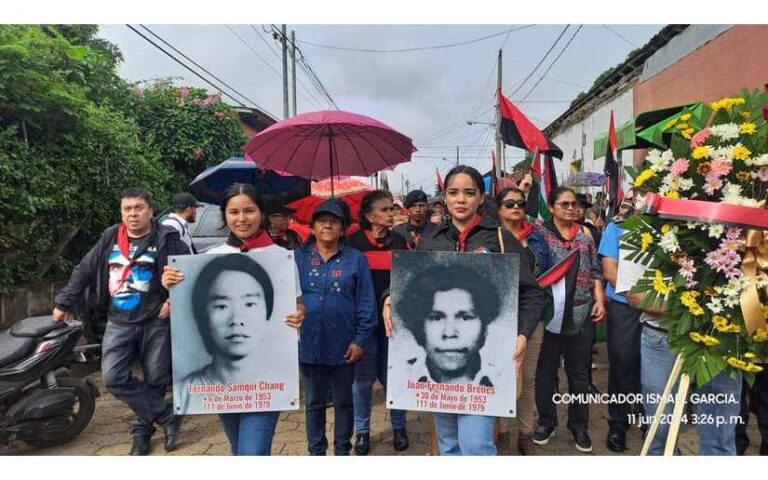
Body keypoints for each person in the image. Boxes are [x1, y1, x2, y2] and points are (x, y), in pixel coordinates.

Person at [384, 165, 547, 456]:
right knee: (448, 445)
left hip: (485, 366)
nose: (461, 199)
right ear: (444, 198)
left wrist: (522, 334)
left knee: (476, 445)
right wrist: (388, 297)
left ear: (481, 198)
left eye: (469, 193)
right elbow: (407, 285)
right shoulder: (432, 240)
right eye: (453, 192)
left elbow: (533, 293)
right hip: (438, 373)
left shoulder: (498, 237)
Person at [162, 183, 304, 456]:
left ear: (261, 213)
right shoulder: (208, 258)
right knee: (239, 450)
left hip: (268, 380)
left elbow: (298, 304)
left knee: (252, 453)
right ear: (224, 216)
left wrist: (299, 316)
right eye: (234, 212)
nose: (242, 218)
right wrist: (170, 282)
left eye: (249, 211)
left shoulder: (281, 259)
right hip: (222, 388)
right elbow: (182, 303)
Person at [53, 188, 190, 456]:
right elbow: (84, 270)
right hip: (119, 320)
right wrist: (63, 302)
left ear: (151, 211)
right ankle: (166, 416)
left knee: (156, 377)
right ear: (121, 212)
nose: (133, 214)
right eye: (127, 209)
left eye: (139, 208)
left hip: (156, 319)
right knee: (114, 377)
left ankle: (142, 432)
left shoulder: (168, 238)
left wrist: (172, 301)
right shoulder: (110, 238)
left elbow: (190, 274)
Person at [295, 200, 377, 456]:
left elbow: (366, 302)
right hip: (309, 343)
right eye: (321, 220)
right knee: (314, 402)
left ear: (343, 228)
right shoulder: (298, 258)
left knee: (344, 402)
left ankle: (342, 451)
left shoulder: (356, 260)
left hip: (345, 345)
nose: (327, 224)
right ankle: (316, 452)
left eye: (333, 220)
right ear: (313, 227)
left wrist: (360, 340)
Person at [533, 186, 606, 454]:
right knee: (546, 372)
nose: (571, 209)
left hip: (580, 312)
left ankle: (579, 426)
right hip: (549, 314)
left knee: (579, 374)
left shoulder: (585, 237)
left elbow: (596, 270)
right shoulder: (539, 236)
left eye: (574, 204)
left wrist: (598, 299)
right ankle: (547, 421)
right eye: (564, 204)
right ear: (551, 207)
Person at [346, 190, 410, 455]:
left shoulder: (400, 241)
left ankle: (399, 427)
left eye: (391, 209)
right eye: (384, 210)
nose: (390, 214)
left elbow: (409, 279)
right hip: (361, 325)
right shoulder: (351, 244)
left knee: (393, 376)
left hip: (393, 324)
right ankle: (361, 432)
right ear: (368, 215)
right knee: (361, 381)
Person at [495, 186, 551, 455]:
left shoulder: (538, 238)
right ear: (498, 209)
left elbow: (548, 276)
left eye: (520, 203)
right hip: (497, 320)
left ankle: (525, 435)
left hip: (531, 319)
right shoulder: (489, 239)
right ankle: (502, 434)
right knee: (498, 378)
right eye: (509, 203)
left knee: (527, 379)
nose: (516, 207)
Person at [397, 263, 503, 386]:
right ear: (420, 327)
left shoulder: (503, 381)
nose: (449, 332)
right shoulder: (400, 380)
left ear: (484, 328)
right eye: (436, 318)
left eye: (465, 318)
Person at [598, 189, 643, 453]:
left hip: (660, 310)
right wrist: (634, 296)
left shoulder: (668, 229)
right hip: (626, 306)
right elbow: (609, 269)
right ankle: (618, 423)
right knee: (622, 364)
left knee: (651, 368)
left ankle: (652, 420)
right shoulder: (617, 226)